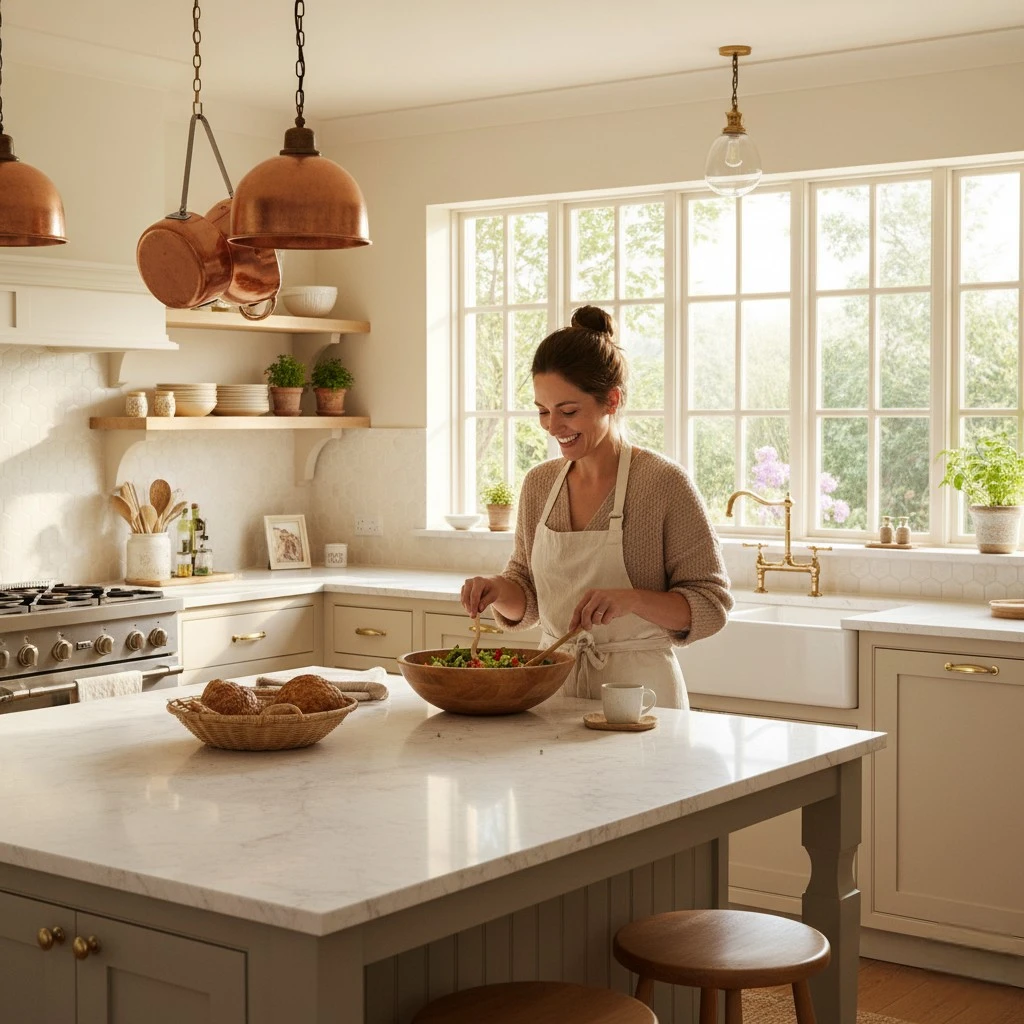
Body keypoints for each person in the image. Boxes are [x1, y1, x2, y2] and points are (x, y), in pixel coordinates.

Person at [461, 305, 732, 710]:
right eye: (542, 411)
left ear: (611, 399)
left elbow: (710, 606)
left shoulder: (662, 483)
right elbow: (529, 597)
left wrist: (633, 599)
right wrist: (498, 590)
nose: (553, 427)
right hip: (552, 689)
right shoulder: (539, 484)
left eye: (568, 411)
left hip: (641, 699)